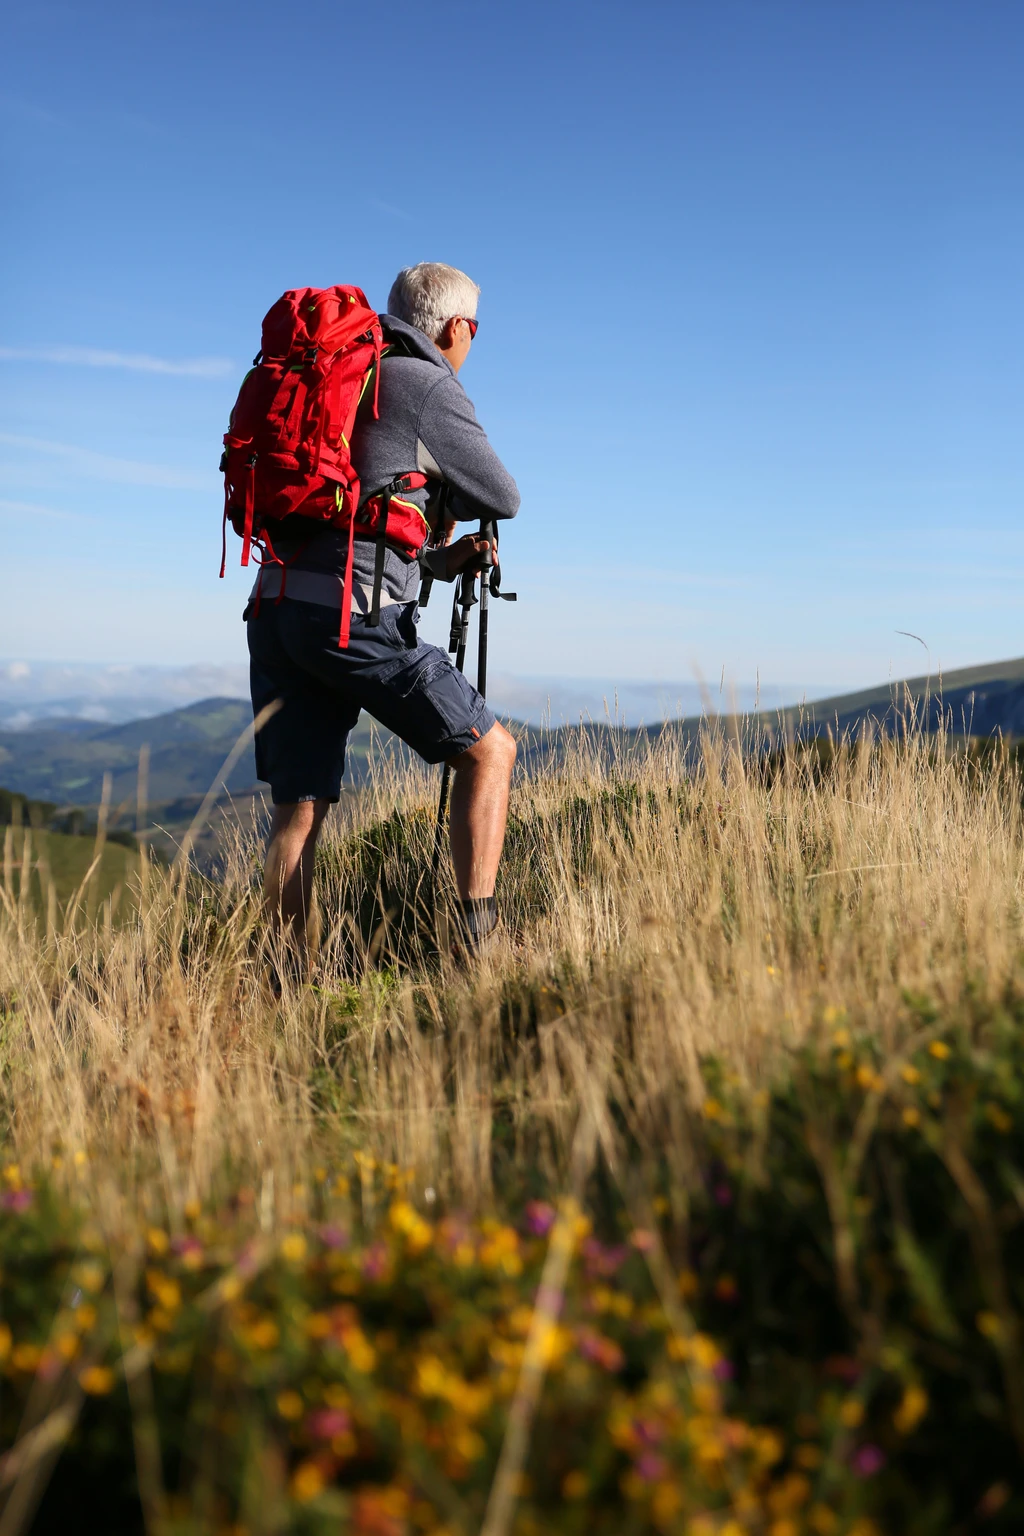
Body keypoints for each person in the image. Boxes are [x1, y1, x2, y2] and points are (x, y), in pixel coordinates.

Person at [244, 262, 520, 962]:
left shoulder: (341, 371)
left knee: (299, 805)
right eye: (474, 331)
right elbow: (503, 494)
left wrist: (431, 560)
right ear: (458, 327)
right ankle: (476, 951)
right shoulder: (428, 383)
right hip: (351, 616)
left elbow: (352, 508)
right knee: (491, 753)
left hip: (278, 606)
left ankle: (284, 980)